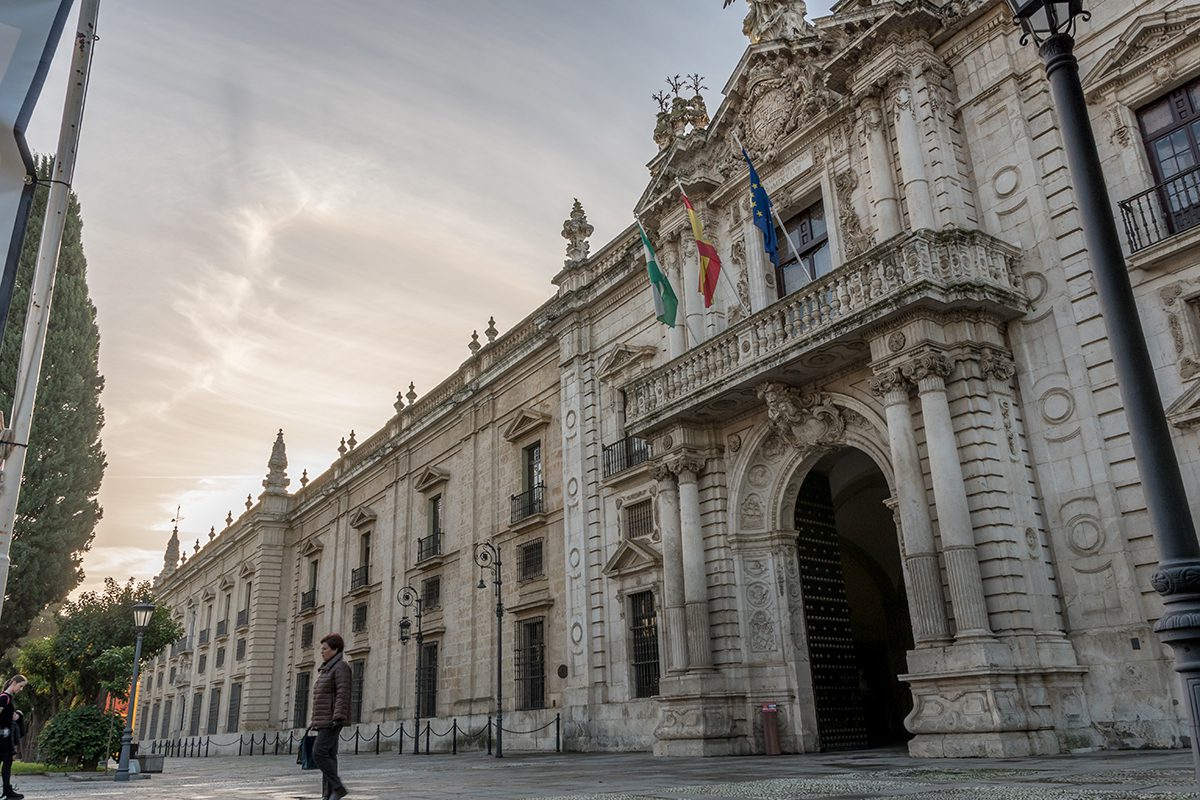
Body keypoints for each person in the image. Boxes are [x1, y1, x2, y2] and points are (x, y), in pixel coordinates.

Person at [311, 634, 351, 800]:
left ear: (335, 650)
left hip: (332, 719)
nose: (322, 652)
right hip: (324, 719)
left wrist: (338, 716)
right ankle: (328, 795)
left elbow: (343, 692)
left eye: (325, 648)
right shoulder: (328, 668)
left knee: (318, 753)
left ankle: (338, 787)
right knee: (329, 756)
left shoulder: (340, 667)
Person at [0, 675, 27, 800]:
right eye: (20, 686)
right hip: (2, 737)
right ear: (14, 683)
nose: (21, 689)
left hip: (6, 737)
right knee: (6, 762)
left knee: (8, 762)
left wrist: (15, 714)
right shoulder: (4, 698)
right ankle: (7, 791)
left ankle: (7, 790)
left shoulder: (8, 698)